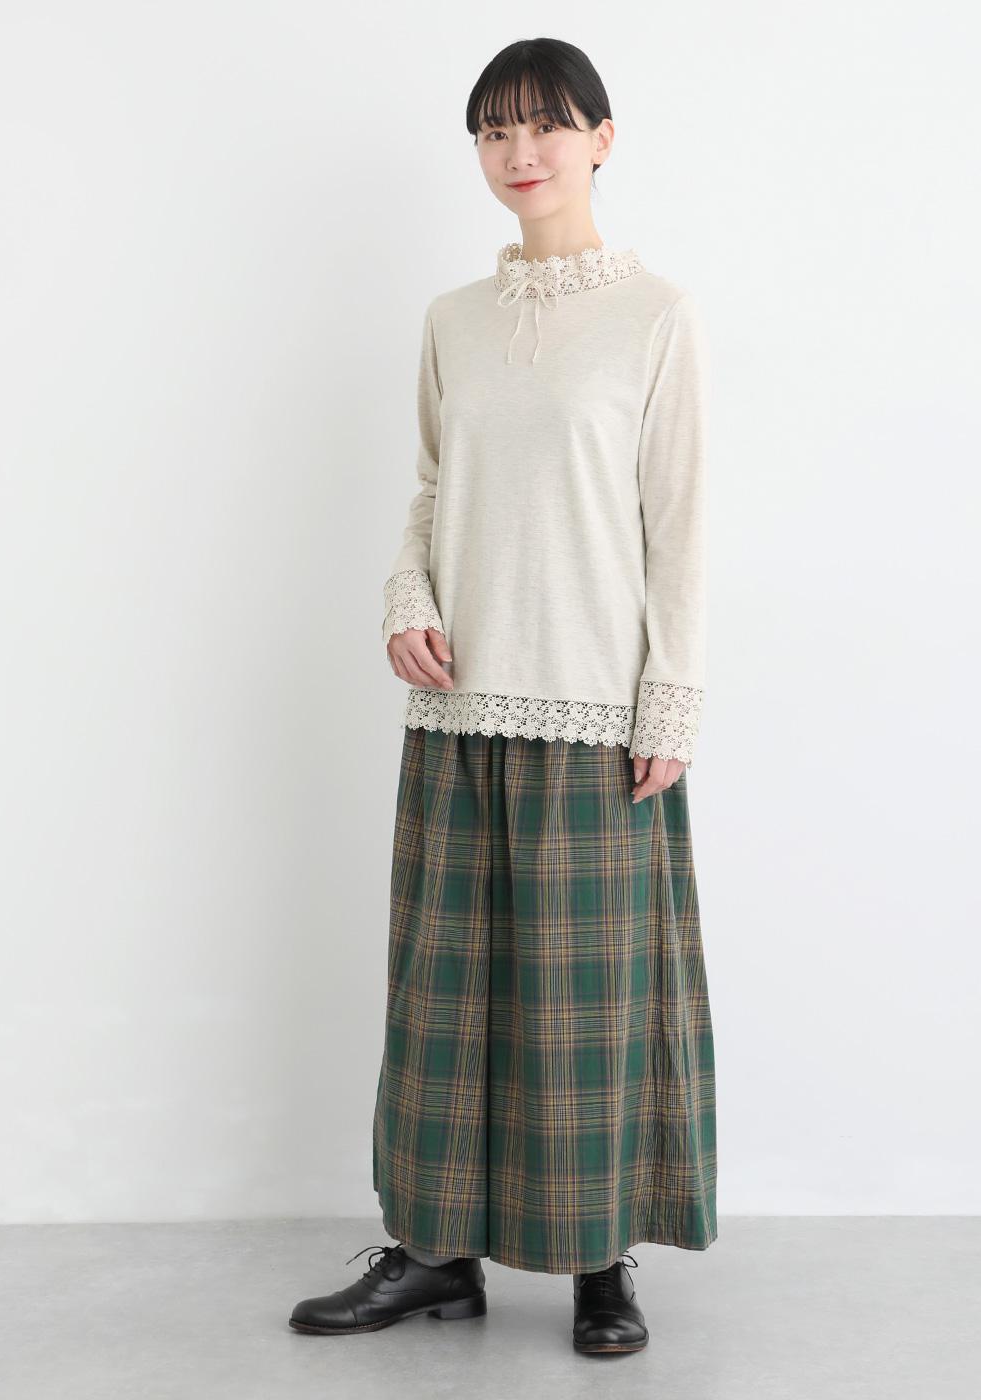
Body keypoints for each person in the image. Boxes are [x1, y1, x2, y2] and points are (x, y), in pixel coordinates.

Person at [289, 36, 717, 1356]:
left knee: (585, 1015)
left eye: (545, 125)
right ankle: (436, 1254)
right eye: (493, 130)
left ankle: (599, 1263)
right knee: (445, 1001)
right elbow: (433, 488)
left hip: (594, 710)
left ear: (602, 138)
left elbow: (679, 524)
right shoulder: (452, 321)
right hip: (459, 704)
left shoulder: (656, 317)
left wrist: (671, 696)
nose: (519, 153)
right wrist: (404, 597)